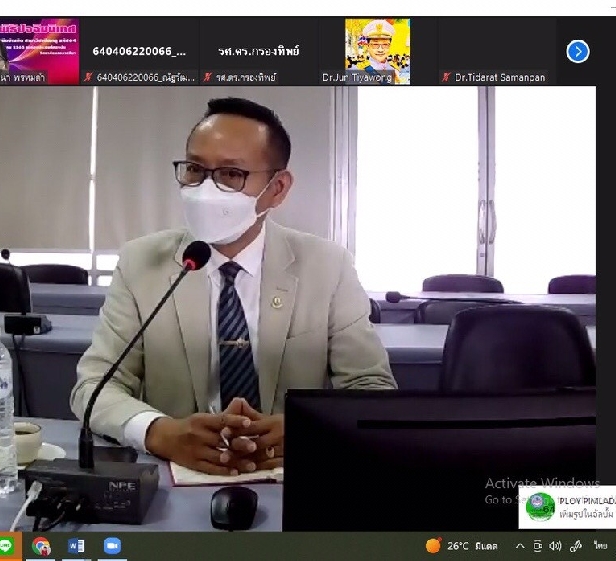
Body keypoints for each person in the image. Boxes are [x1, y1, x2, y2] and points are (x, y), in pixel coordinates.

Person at [71, 97, 396, 476]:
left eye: (231, 174)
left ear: (277, 188)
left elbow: (372, 387)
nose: (206, 189)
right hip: (177, 476)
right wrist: (159, 432)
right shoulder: (140, 262)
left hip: (291, 475)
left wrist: (311, 427)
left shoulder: (328, 266)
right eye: (195, 170)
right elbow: (94, 386)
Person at [346, 20, 399, 84]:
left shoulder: (395, 70)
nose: (380, 49)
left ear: (389, 46)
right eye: (375, 44)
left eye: (385, 44)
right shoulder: (356, 71)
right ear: (368, 46)